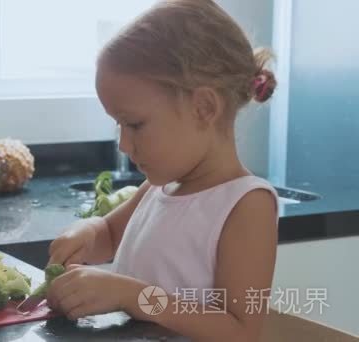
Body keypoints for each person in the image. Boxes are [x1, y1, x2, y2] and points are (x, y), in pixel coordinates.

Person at [46, 0, 279, 340]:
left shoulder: (247, 205)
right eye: (118, 125)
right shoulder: (159, 188)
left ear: (204, 107)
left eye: (135, 125)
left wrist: (135, 296)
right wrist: (85, 234)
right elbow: (110, 235)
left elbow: (240, 329)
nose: (124, 144)